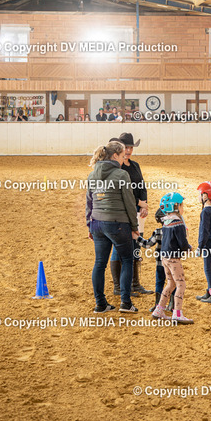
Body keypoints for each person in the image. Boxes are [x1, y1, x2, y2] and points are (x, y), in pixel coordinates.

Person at [86, 140, 139, 313]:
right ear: (115, 155)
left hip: (97, 223)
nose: (124, 159)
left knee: (99, 263)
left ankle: (100, 304)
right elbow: (129, 203)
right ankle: (125, 303)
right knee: (127, 260)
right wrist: (134, 226)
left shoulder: (92, 175)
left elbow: (89, 203)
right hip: (118, 224)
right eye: (123, 155)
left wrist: (89, 225)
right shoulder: (121, 175)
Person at [109, 133, 152, 296]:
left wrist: (144, 203)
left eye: (131, 148)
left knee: (136, 245)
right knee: (119, 247)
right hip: (124, 211)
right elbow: (122, 192)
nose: (128, 151)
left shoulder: (135, 166)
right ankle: (118, 287)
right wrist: (139, 203)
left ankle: (135, 283)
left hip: (137, 212)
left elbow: (142, 186)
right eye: (126, 148)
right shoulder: (118, 168)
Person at [152, 192, 194, 324]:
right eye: (181, 205)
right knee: (181, 284)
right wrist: (189, 248)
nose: (183, 207)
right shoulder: (178, 223)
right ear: (176, 206)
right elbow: (182, 243)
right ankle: (177, 313)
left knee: (170, 283)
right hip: (173, 258)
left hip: (164, 257)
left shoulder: (166, 222)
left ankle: (159, 310)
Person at [137, 207, 176, 312]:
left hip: (160, 263)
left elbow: (147, 244)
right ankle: (172, 305)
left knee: (159, 282)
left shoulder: (158, 232)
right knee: (173, 283)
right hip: (172, 263)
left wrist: (137, 238)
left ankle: (158, 305)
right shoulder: (174, 230)